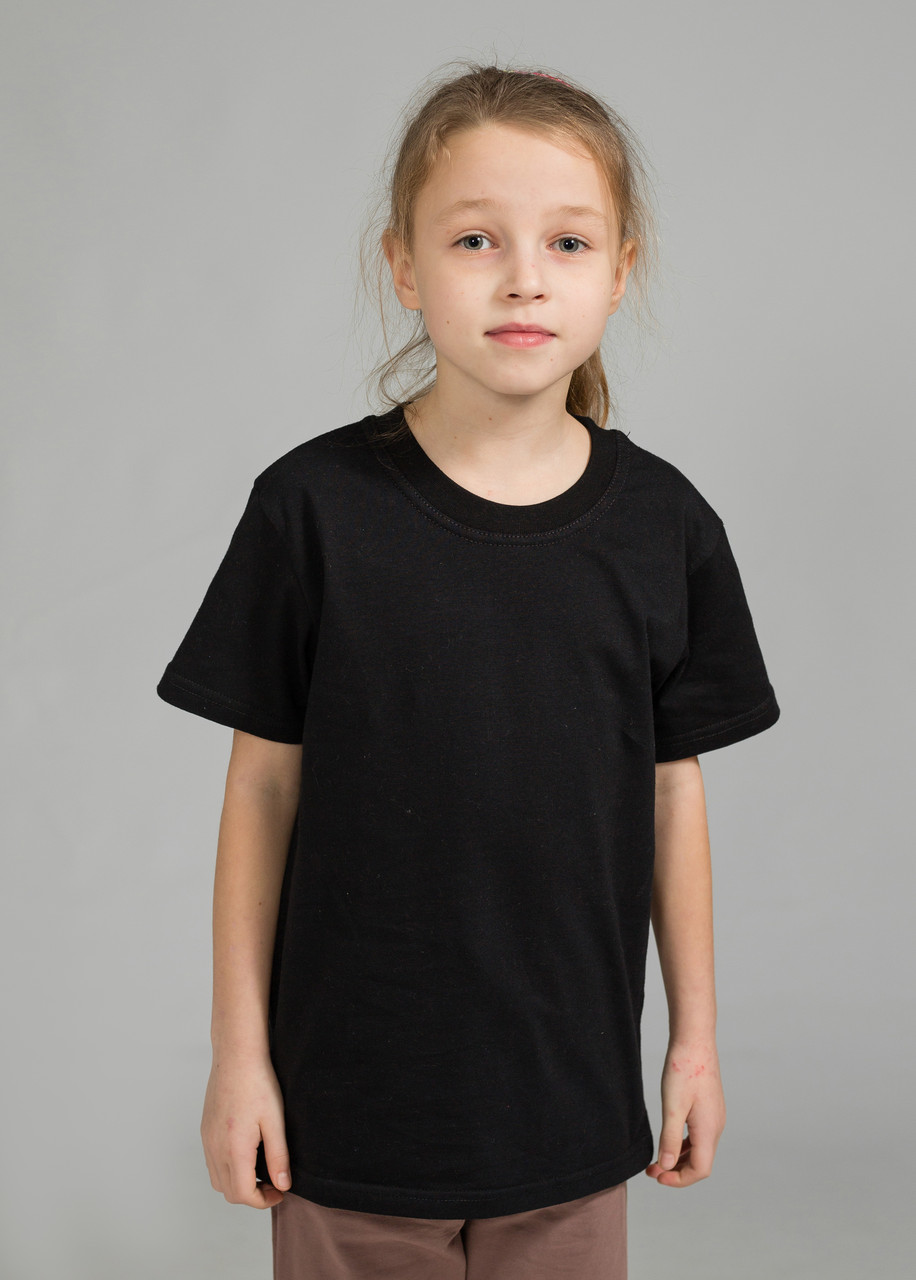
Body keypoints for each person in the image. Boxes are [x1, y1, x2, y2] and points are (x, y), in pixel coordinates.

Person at [157, 59, 780, 1280]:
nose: (523, 277)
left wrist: (693, 1042)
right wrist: (240, 1056)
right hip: (347, 1118)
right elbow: (262, 789)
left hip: (567, 1115)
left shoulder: (663, 525)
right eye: (476, 238)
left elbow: (671, 793)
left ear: (620, 271)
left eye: (567, 241)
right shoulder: (312, 510)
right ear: (404, 265)